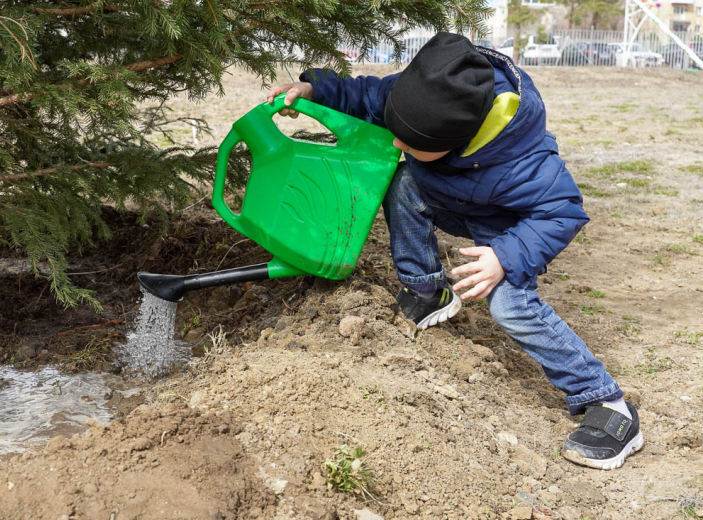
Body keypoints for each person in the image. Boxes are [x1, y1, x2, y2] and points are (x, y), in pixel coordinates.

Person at [265, 32, 642, 470]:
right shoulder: (427, 93)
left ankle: (606, 403)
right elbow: (369, 93)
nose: (397, 143)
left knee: (511, 309)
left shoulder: (523, 160)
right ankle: (428, 290)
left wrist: (505, 257)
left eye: (411, 140)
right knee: (403, 181)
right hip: (447, 198)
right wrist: (315, 88)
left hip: (506, 231)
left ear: (456, 139)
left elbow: (563, 212)